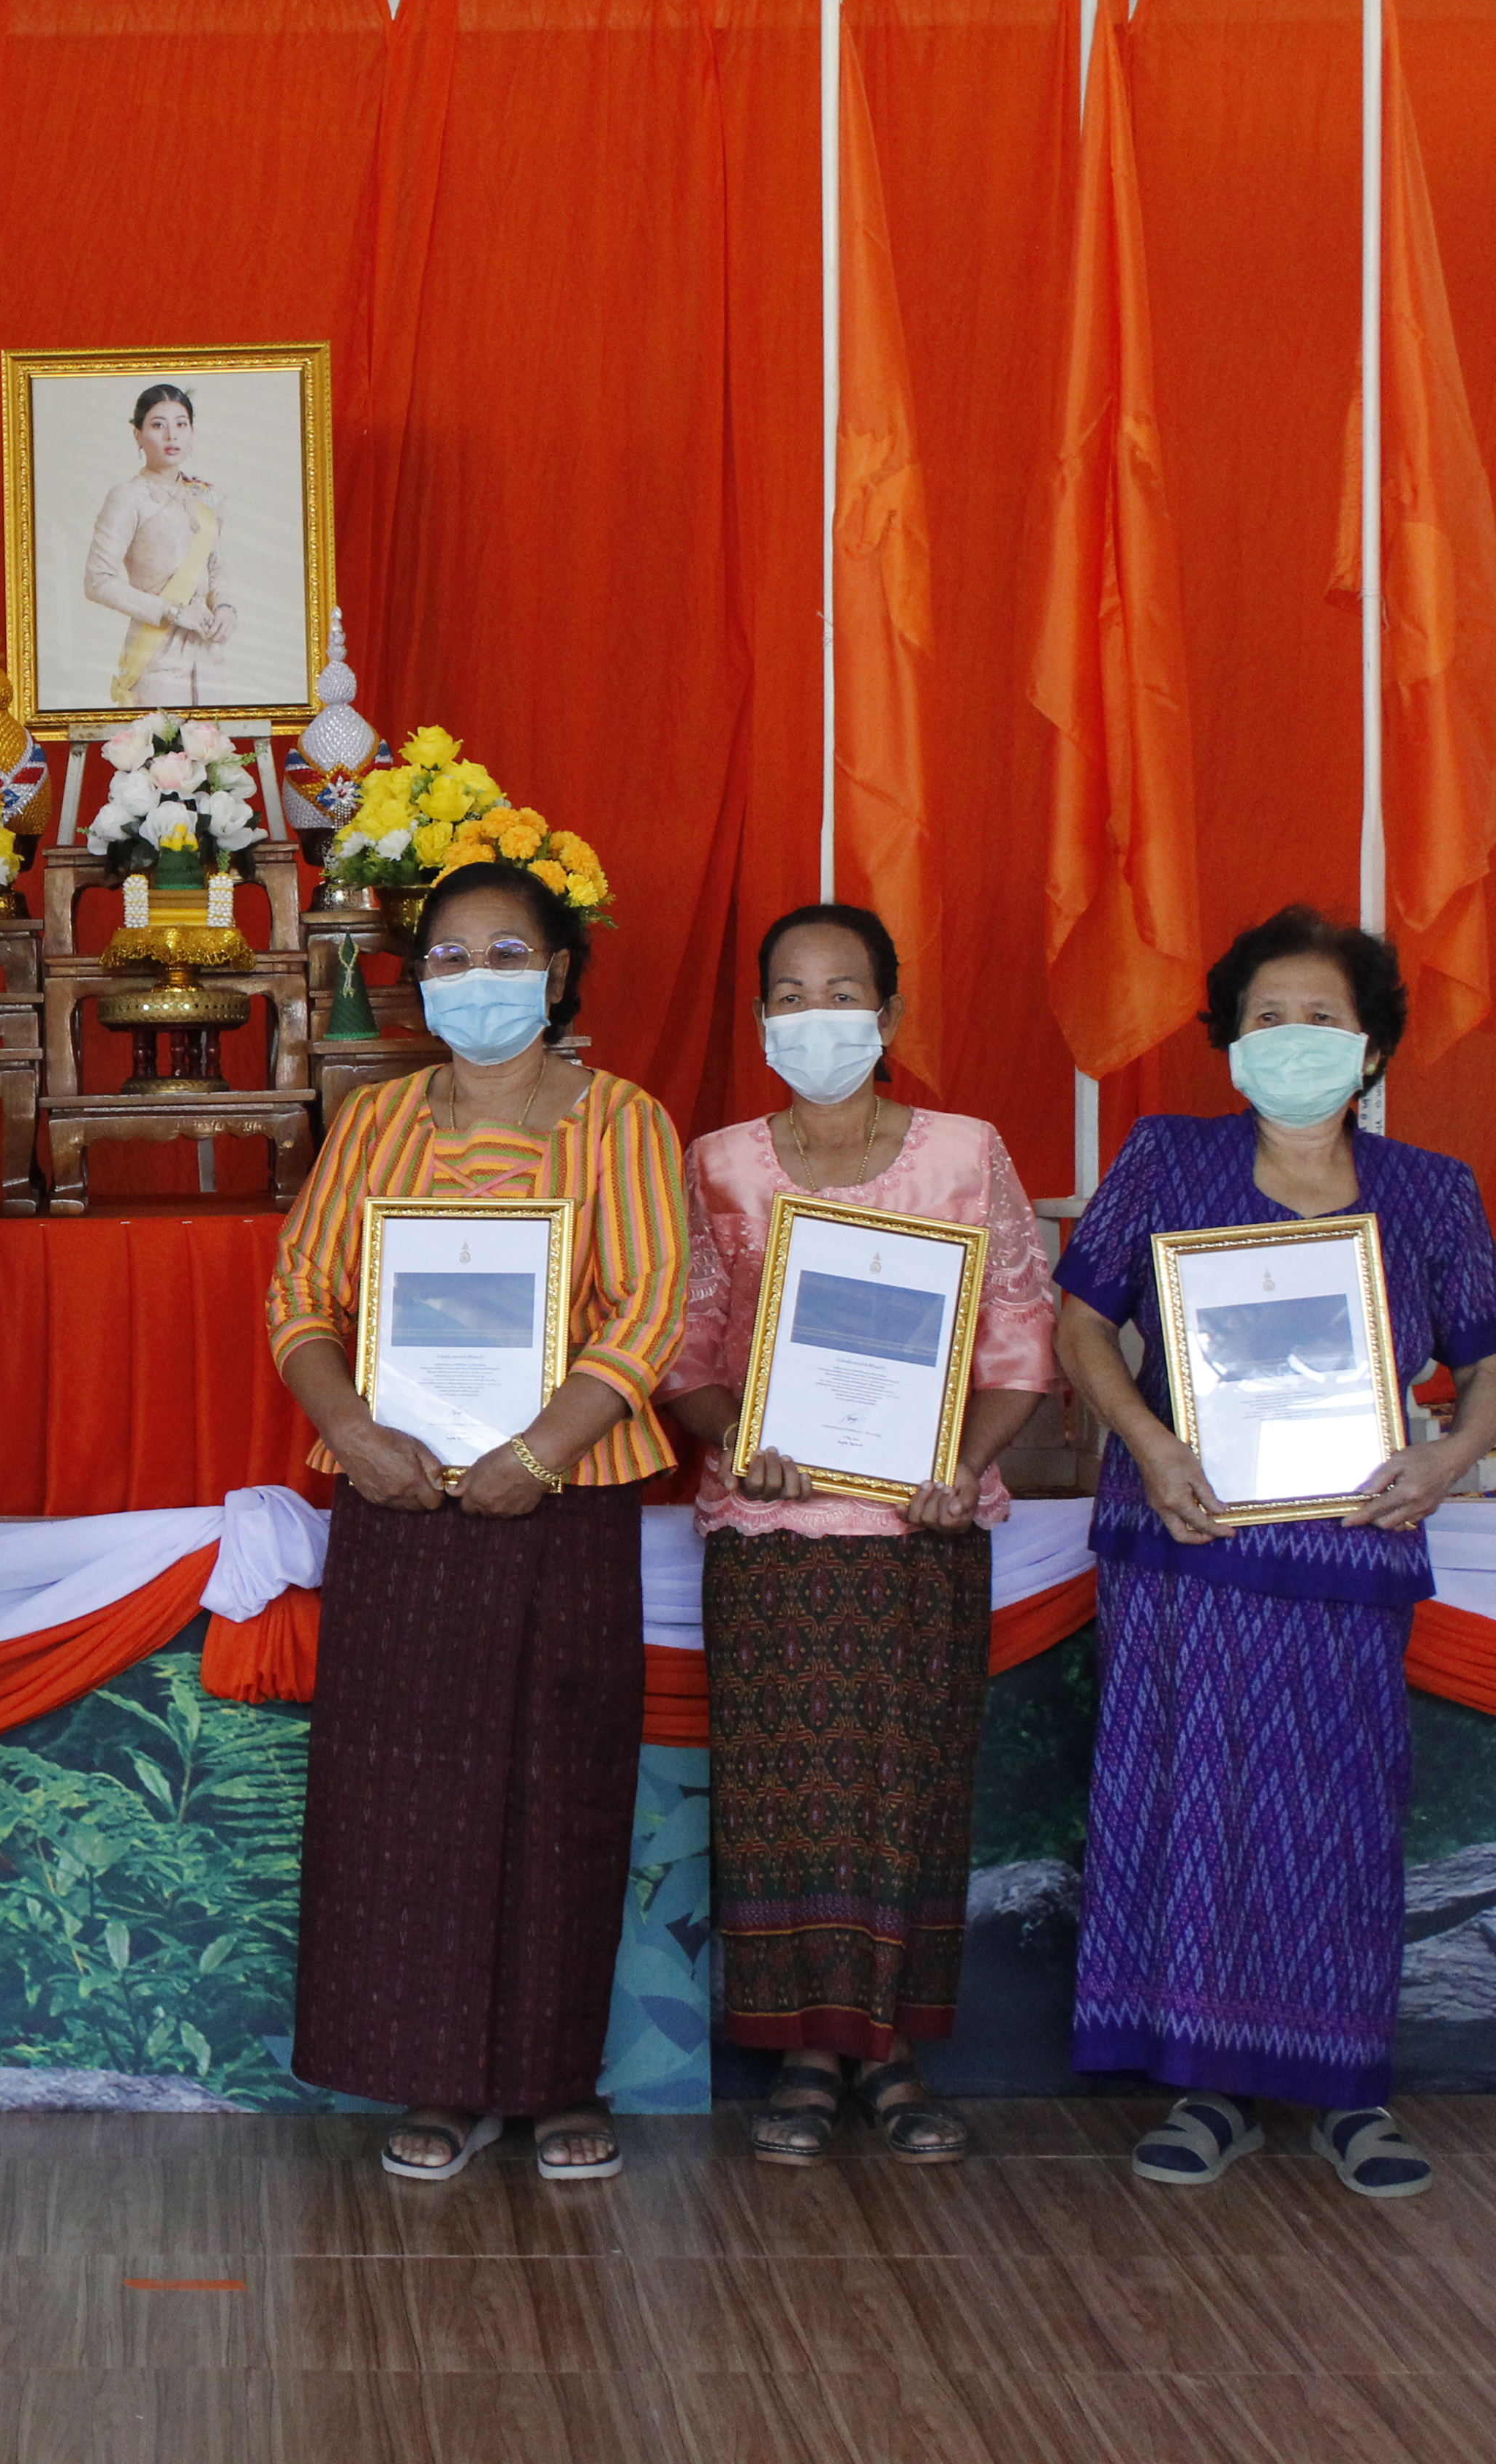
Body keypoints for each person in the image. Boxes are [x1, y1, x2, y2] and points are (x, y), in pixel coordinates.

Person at [1053, 907, 1496, 2201]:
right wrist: (1147, 1442)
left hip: (1349, 1548)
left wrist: (1444, 1459)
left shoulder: (1428, 1191)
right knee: (1191, 1803)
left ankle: (1343, 2087)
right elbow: (1080, 1326)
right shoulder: (1161, 1161)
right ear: (1227, 1041)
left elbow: (1490, 1372)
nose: (1293, 1041)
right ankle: (1200, 2085)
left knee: (1335, 1815)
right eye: (1266, 1017)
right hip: (1183, 1536)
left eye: (1321, 1018)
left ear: (1369, 1048)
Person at [263, 834, 687, 2185]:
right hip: (395, 1499)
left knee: (558, 1788)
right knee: (410, 1799)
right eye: (447, 958)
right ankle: (433, 2080)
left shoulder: (617, 1120)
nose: (476, 979)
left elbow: (649, 1306)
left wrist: (543, 1451)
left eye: (505, 956)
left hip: (557, 1504)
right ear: (415, 983)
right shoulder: (376, 1122)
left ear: (555, 974)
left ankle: (557, 2081)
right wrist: (344, 1428)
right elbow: (297, 1298)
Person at [656, 904, 1057, 2167]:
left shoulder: (958, 1151)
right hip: (770, 1530)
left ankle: (891, 2050)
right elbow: (687, 1348)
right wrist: (733, 1439)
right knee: (780, 1795)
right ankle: (800, 2053)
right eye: (787, 993)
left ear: (885, 1016)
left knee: (911, 1791)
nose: (813, 1014)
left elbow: (1017, 1338)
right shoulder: (717, 1161)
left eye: (842, 991)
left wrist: (962, 1463)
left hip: (919, 1530)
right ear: (761, 1017)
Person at [82, 382, 236, 711]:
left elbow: (216, 567)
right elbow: (98, 581)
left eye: (181, 424)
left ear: (192, 431)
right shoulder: (127, 498)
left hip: (209, 651)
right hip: (156, 651)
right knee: (164, 755)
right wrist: (172, 611)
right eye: (158, 425)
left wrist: (225, 607)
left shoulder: (206, 497)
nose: (172, 436)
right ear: (137, 434)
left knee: (216, 753)